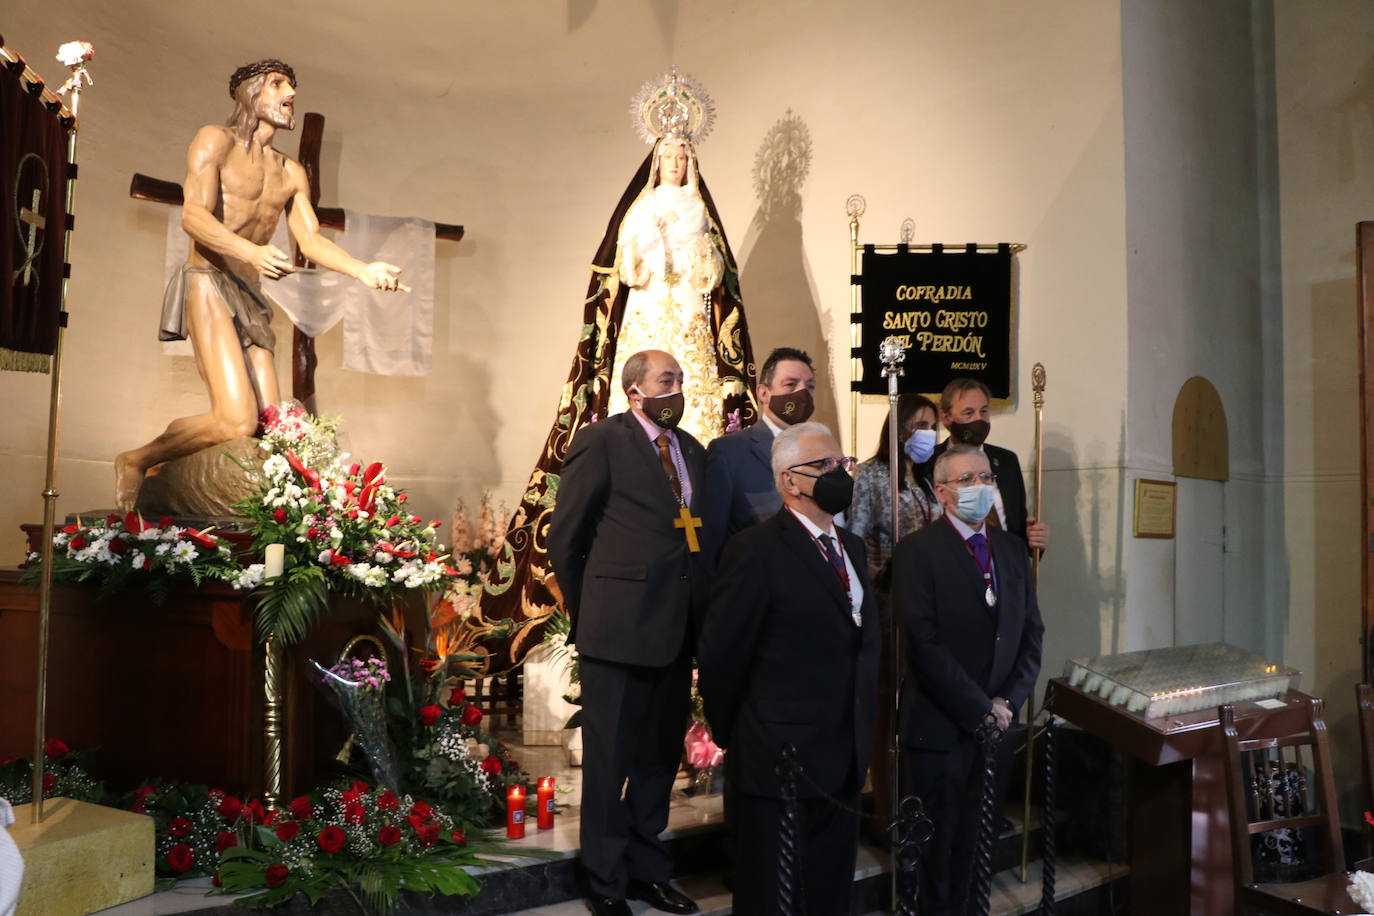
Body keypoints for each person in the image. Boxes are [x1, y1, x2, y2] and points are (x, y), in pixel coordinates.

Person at [459, 69, 756, 673]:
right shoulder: (642, 207)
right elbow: (625, 271)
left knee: (690, 412)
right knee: (645, 400)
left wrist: (698, 252)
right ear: (654, 159)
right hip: (647, 317)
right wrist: (653, 244)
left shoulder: (700, 207)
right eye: (666, 155)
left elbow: (713, 280)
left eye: (682, 155)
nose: (674, 163)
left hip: (690, 327)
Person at [113, 59, 405, 512]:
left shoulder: (291, 172)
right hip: (208, 278)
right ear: (251, 93)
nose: (290, 93)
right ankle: (137, 459)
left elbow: (309, 238)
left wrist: (362, 270)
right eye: (278, 84)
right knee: (235, 420)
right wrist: (251, 252)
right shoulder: (216, 140)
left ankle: (186, 478)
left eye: (292, 85)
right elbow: (194, 216)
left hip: (250, 292)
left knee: (270, 426)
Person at [547, 349, 707, 916]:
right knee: (610, 761)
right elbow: (564, 537)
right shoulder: (604, 439)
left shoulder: (690, 450)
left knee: (659, 762)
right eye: (667, 381)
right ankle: (606, 881)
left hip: (675, 628)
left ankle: (648, 870)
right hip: (616, 632)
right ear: (634, 390)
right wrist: (594, 610)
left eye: (681, 381)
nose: (677, 390)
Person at [699, 422, 879, 915]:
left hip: (842, 756)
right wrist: (740, 733)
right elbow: (721, 654)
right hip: (779, 758)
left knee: (827, 891)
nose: (838, 473)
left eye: (841, 463)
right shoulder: (754, 550)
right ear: (789, 482)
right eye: (822, 466)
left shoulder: (854, 548)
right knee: (773, 896)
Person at [893, 445, 1044, 916]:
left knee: (980, 850)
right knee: (938, 853)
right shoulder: (917, 551)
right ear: (941, 492)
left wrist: (1007, 702)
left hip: (997, 729)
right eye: (965, 480)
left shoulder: (1013, 549)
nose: (979, 487)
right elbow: (922, 643)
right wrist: (981, 708)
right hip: (941, 728)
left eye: (984, 478)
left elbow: (1031, 634)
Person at [845, 392, 943, 845]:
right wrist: (882, 572)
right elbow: (855, 539)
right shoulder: (871, 477)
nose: (926, 434)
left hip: (931, 610)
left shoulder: (925, 481)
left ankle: (921, 807)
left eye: (931, 426)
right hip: (887, 607)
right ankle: (887, 813)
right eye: (917, 425)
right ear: (897, 427)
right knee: (890, 712)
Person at [699, 346, 817, 562]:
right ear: (763, 393)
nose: (802, 394)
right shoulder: (729, 452)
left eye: (809, 386)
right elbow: (712, 537)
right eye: (790, 384)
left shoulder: (822, 452)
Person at [923, 377, 1050, 554]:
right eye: (968, 413)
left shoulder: (1007, 461)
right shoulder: (928, 462)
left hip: (1004, 570)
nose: (979, 420)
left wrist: (1033, 539)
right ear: (946, 417)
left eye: (984, 411)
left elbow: (1017, 526)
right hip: (953, 566)